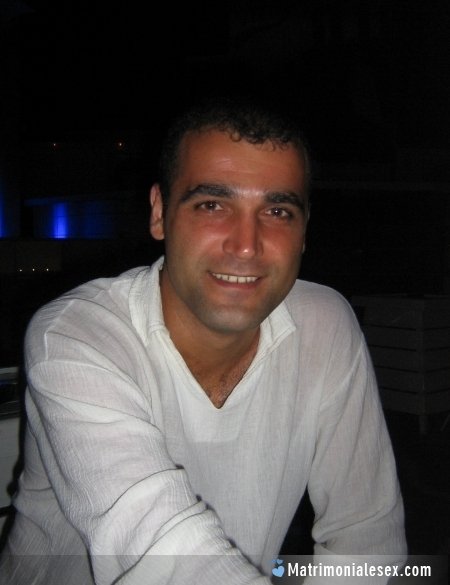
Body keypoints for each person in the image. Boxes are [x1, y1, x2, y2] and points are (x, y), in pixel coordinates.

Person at [0, 96, 406, 584]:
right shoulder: (78, 336)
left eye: (277, 210)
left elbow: (365, 535)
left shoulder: (325, 324)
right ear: (159, 213)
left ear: (304, 231)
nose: (246, 245)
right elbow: (161, 553)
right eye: (212, 205)